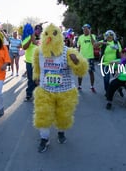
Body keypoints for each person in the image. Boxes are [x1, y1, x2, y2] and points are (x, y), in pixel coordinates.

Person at [32, 23, 88, 152]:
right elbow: (37, 67)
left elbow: (81, 71)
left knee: (63, 115)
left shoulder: (68, 52)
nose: (50, 37)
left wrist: (77, 62)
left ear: (60, 37)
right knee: (43, 114)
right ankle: (44, 138)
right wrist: (36, 77)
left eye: (54, 34)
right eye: (46, 34)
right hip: (45, 90)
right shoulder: (39, 52)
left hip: (65, 91)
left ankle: (61, 132)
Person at [22, 23, 42, 101]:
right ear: (34, 30)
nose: (39, 31)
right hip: (29, 62)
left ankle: (38, 94)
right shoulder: (28, 37)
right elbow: (24, 47)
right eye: (37, 29)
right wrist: (30, 39)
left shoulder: (42, 38)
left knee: (37, 78)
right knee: (30, 78)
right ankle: (29, 94)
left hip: (38, 61)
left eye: (40, 30)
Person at [76, 24, 97, 93]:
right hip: (82, 58)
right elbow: (78, 47)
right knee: (80, 73)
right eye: (84, 29)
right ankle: (79, 86)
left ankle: (92, 86)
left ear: (89, 29)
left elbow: (94, 44)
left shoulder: (93, 36)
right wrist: (77, 56)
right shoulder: (80, 37)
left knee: (91, 72)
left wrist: (90, 34)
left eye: (87, 29)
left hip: (90, 57)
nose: (85, 30)